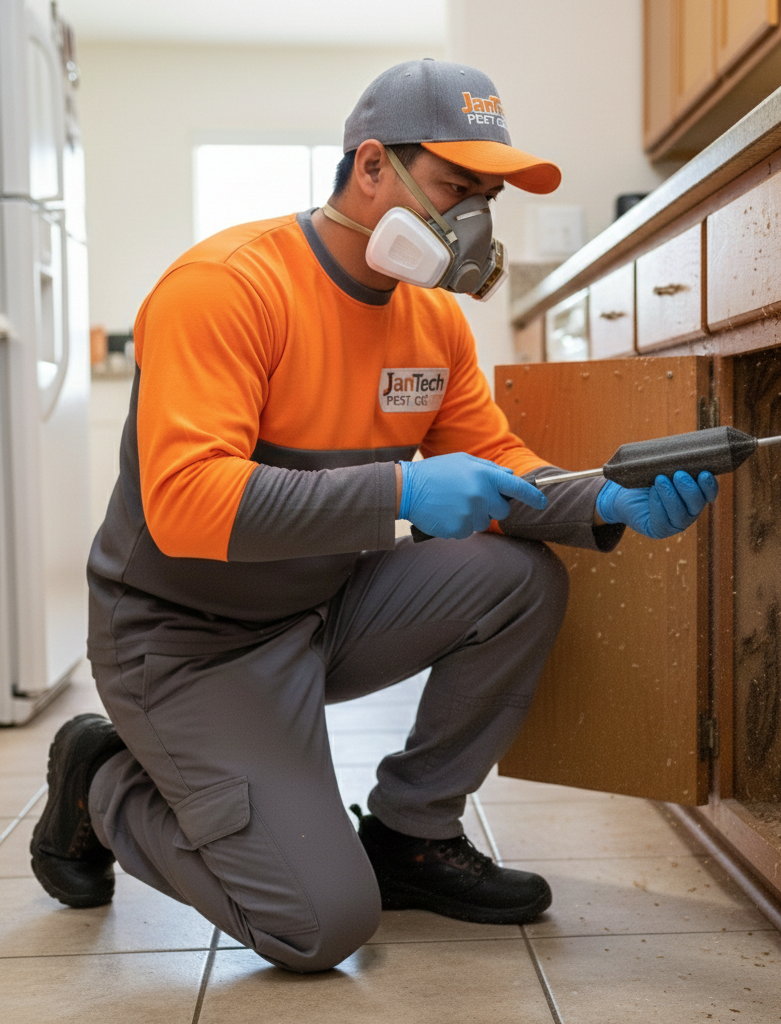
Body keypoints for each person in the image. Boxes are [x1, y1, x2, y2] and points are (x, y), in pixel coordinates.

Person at [30, 59, 718, 973]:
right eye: (452, 188)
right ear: (369, 169)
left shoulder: (432, 324)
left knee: (513, 576)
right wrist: (399, 491)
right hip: (185, 637)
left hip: (318, 609)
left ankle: (411, 838)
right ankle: (106, 779)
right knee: (319, 926)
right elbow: (189, 507)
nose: (471, 222)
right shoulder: (227, 287)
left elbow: (502, 464)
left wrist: (605, 499)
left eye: (487, 198)